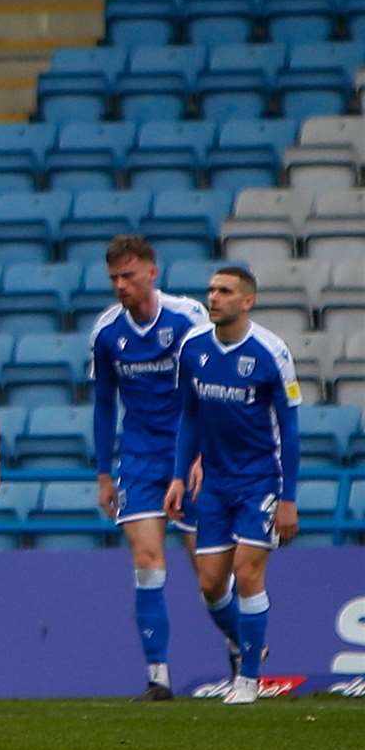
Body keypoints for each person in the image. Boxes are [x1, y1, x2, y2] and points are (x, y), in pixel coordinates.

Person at [88, 236, 218, 702]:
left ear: (152, 273)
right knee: (146, 560)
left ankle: (241, 654)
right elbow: (104, 404)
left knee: (210, 576)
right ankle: (158, 676)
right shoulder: (107, 333)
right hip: (140, 458)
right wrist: (105, 472)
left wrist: (203, 454)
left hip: (192, 453)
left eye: (128, 276)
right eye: (114, 279)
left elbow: (211, 386)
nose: (120, 285)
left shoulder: (189, 319)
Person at [165, 266, 300, 706]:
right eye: (211, 290)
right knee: (209, 583)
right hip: (216, 482)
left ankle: (249, 678)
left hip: (260, 478)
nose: (213, 297)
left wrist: (289, 499)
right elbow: (188, 415)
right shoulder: (194, 348)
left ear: (247, 301)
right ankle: (249, 643)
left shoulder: (270, 353)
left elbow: (291, 428)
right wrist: (180, 475)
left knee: (247, 574)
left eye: (224, 291)